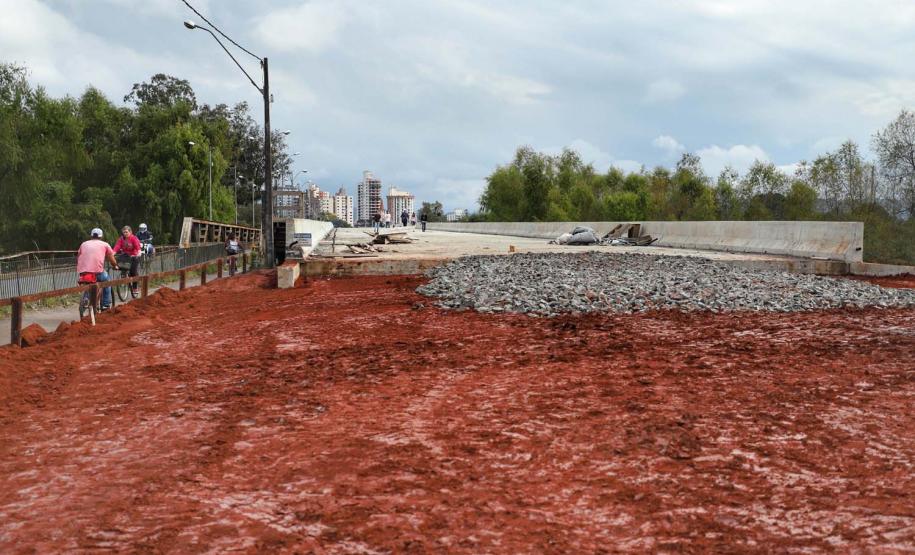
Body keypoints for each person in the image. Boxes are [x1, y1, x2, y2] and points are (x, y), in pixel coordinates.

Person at [76, 228, 119, 310]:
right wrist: (115, 265)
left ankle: (86, 299)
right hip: (97, 271)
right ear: (101, 236)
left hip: (83, 272)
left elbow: (78, 256)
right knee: (107, 281)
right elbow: (111, 258)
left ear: (91, 235)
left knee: (87, 284)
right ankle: (106, 304)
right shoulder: (105, 244)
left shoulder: (83, 244)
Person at [113, 225, 142, 292]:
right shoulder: (121, 239)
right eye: (124, 232)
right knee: (120, 264)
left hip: (133, 256)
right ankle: (123, 275)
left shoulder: (134, 238)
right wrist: (113, 252)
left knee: (133, 272)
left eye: (126, 232)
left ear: (130, 232)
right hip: (125, 255)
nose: (125, 234)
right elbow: (117, 246)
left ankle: (135, 287)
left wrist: (138, 254)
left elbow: (138, 247)